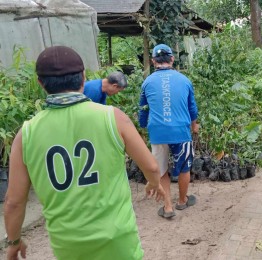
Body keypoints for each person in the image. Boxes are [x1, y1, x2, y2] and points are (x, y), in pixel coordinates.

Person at [4, 46, 165, 260]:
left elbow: (14, 202)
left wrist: (14, 242)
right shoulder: (113, 118)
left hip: (68, 245)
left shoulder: (26, 135)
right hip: (117, 239)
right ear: (83, 77)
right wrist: (154, 183)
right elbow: (152, 167)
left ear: (41, 83)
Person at [139, 44, 199, 219]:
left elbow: (143, 108)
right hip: (180, 131)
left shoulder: (147, 82)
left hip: (158, 133)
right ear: (172, 59)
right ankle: (182, 201)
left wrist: (143, 126)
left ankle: (167, 207)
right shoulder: (184, 80)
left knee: (162, 169)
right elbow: (192, 108)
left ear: (153, 61)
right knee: (184, 167)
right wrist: (194, 125)